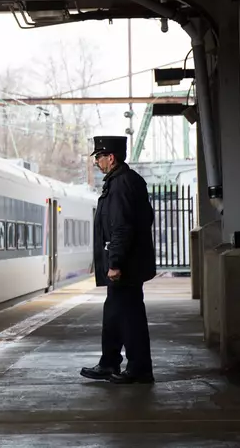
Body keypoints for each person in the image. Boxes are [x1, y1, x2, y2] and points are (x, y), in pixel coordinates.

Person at [80, 135, 157, 384]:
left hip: (126, 267)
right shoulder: (125, 181)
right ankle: (109, 362)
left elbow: (121, 227)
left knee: (130, 316)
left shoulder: (121, 184)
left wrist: (115, 263)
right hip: (129, 264)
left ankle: (139, 368)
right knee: (114, 313)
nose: (96, 163)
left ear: (110, 157)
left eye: (99, 157)